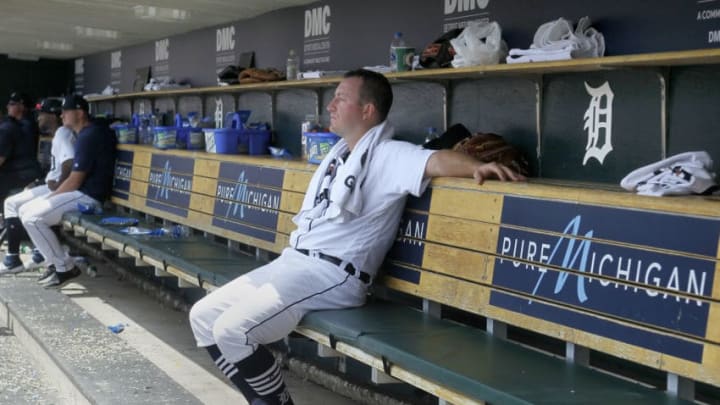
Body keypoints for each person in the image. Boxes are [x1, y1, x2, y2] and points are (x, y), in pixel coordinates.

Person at [188, 69, 524, 405]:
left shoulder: (387, 154)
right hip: (296, 263)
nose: (331, 105)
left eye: (342, 98)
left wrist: (474, 167)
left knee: (233, 330)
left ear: (367, 111)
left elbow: (434, 160)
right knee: (202, 318)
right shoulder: (341, 154)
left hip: (333, 275)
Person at [20, 95, 117, 288]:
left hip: (89, 198)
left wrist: (50, 197)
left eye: (66, 111)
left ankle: (64, 267)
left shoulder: (90, 135)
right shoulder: (87, 133)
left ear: (80, 113)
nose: (62, 115)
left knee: (32, 217)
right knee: (24, 210)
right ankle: (55, 265)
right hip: (81, 193)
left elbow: (74, 180)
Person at [0, 99, 76, 275]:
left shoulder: (63, 133)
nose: (38, 118)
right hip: (52, 186)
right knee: (14, 204)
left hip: (59, 189)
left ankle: (17, 259)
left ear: (53, 116)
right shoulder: (58, 133)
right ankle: (33, 255)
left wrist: (59, 187)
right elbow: (57, 169)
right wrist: (40, 182)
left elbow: (69, 163)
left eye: (42, 114)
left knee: (17, 206)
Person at [0, 92, 42, 209]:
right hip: (32, 172)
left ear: (22, 106)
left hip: (20, 175)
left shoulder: (9, 128)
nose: (8, 107)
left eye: (12, 104)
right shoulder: (27, 124)